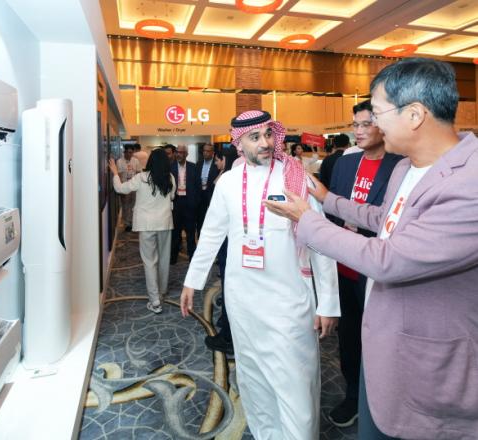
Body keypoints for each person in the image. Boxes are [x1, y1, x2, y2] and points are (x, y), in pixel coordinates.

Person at [264, 57, 478, 440]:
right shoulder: (407, 167)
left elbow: (389, 260)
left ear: (414, 115)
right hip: (382, 344)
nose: (373, 125)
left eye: (377, 114)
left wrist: (306, 219)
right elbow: (383, 218)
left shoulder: (469, 184)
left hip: (426, 363)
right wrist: (327, 199)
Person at [181, 110, 340, 439]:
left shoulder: (295, 178)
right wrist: (192, 282)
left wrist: (328, 302)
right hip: (243, 301)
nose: (265, 142)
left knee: (295, 383)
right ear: (239, 143)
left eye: (268, 134)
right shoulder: (227, 183)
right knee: (253, 379)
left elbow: (321, 243)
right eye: (255, 137)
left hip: (289, 302)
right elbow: (211, 235)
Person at [325, 101, 402, 428]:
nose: (358, 131)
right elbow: (330, 208)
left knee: (382, 340)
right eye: (354, 125)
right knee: (348, 338)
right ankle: (353, 395)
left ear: (383, 125)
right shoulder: (344, 164)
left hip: (376, 269)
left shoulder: (401, 166)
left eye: (366, 124)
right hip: (344, 267)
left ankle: (383, 402)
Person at [109, 148, 176, 314]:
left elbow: (120, 189)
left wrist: (115, 173)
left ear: (151, 161)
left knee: (149, 261)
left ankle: (155, 300)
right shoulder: (170, 178)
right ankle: (162, 291)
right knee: (164, 258)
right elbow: (172, 197)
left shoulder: (141, 178)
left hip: (146, 225)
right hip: (164, 223)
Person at [203, 147, 239, 355]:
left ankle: (228, 336)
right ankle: (227, 323)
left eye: (218, 160)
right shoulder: (229, 177)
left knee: (230, 286)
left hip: (228, 240)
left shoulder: (228, 180)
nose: (216, 163)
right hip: (229, 239)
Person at [170, 144, 200, 264]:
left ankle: (193, 258)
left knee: (191, 233)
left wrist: (195, 202)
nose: (178, 154)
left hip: (189, 204)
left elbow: (198, 186)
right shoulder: (170, 167)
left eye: (181, 152)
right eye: (177, 152)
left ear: (186, 154)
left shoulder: (193, 167)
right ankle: (173, 258)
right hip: (176, 203)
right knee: (175, 233)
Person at [195, 143, 219, 235]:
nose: (205, 153)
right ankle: (200, 237)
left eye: (208, 151)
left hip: (211, 194)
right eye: (204, 151)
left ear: (213, 152)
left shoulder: (216, 164)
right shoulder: (199, 163)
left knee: (213, 218)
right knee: (200, 218)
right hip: (200, 195)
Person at [116, 144, 141, 231]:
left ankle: (133, 222)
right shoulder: (119, 161)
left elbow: (138, 173)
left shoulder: (136, 161)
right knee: (125, 205)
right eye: (128, 152)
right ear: (124, 152)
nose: (130, 154)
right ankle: (127, 223)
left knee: (134, 205)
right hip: (125, 187)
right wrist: (120, 189)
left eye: (131, 152)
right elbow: (119, 175)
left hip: (134, 186)